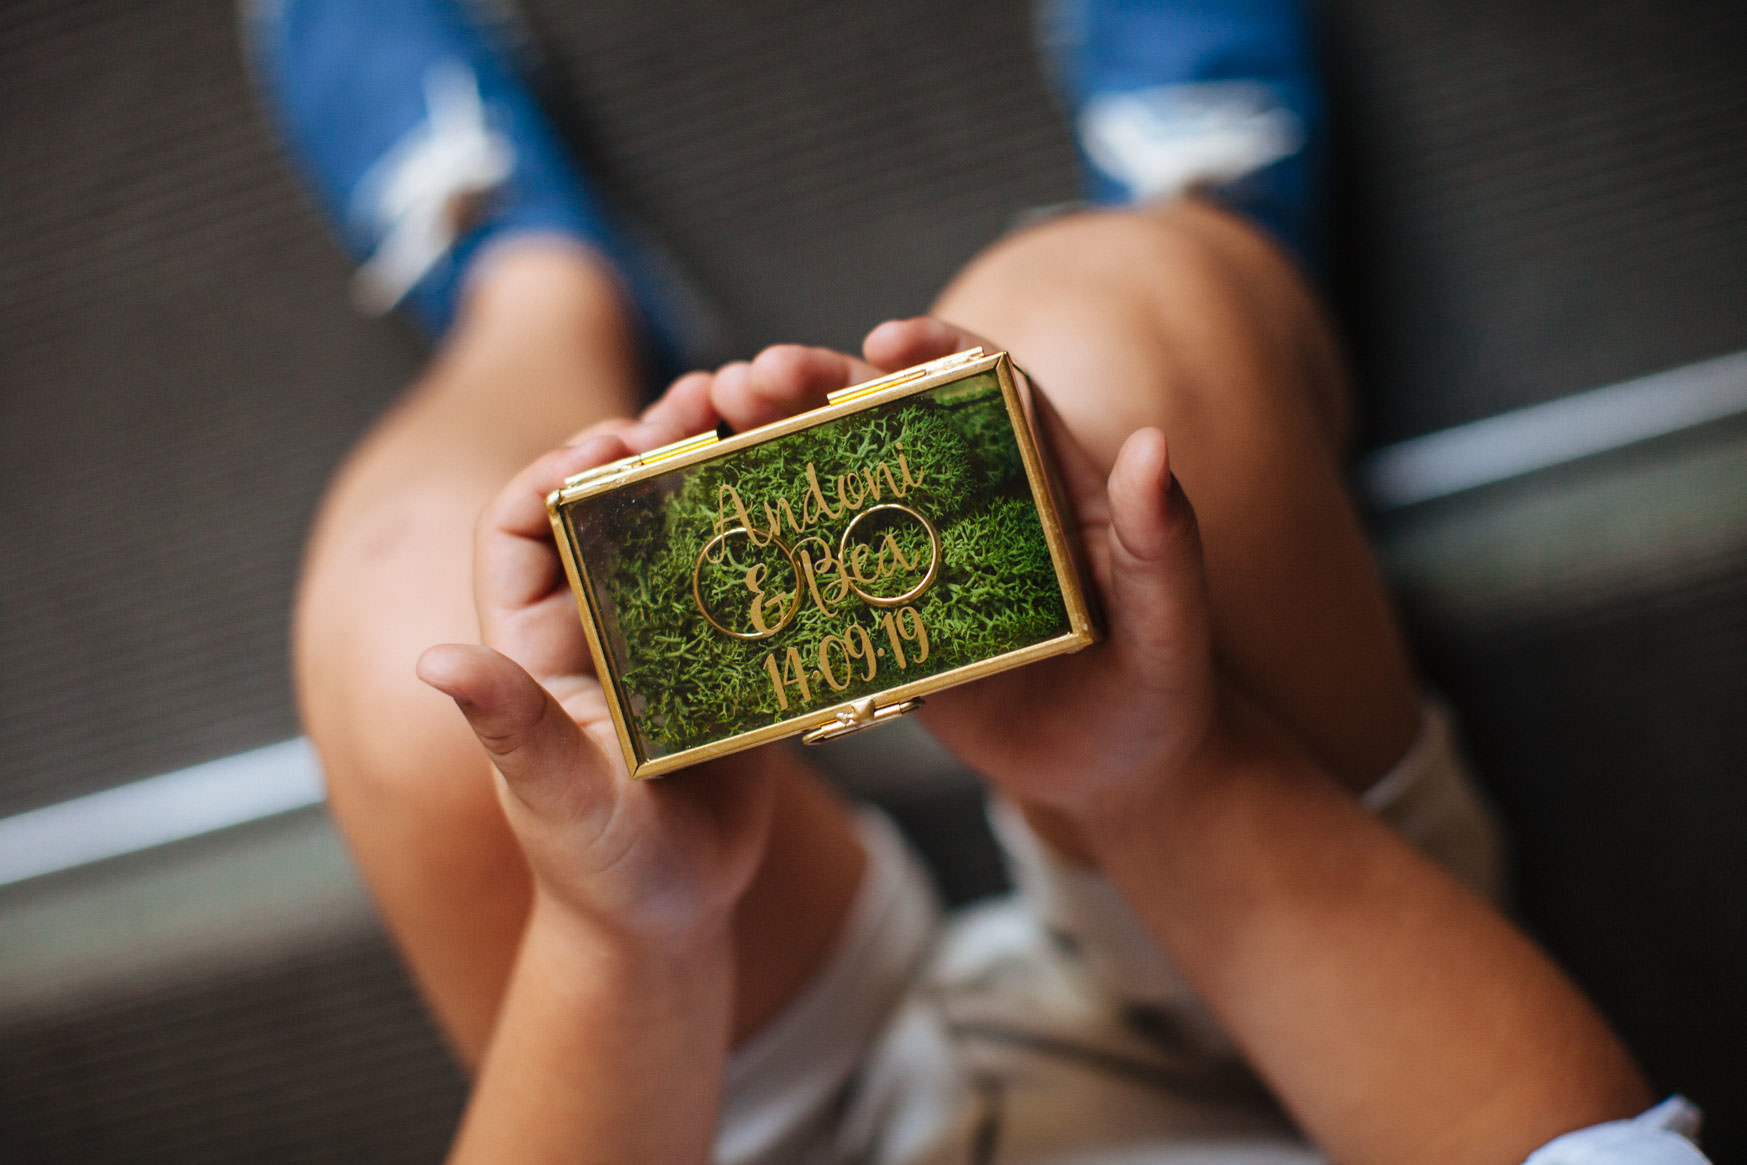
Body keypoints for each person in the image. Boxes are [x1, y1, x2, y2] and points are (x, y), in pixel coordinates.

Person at [247, 0, 1710, 1159]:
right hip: (1312, 1048)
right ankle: (1210, 218)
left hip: (742, 1122)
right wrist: (1166, 775)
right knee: (1114, 372)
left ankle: (534, 276)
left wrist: (625, 933)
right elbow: (1558, 1139)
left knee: (416, 642)